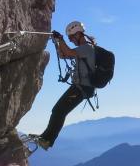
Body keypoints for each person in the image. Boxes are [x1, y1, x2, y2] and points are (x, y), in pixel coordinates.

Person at [31, 20, 96, 150]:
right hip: (81, 87)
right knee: (58, 111)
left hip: (82, 87)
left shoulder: (87, 48)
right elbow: (63, 55)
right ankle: (45, 138)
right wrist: (58, 43)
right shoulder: (82, 49)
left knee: (59, 111)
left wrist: (61, 39)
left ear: (78, 34)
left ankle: (46, 140)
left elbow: (69, 52)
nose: (71, 40)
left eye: (72, 37)